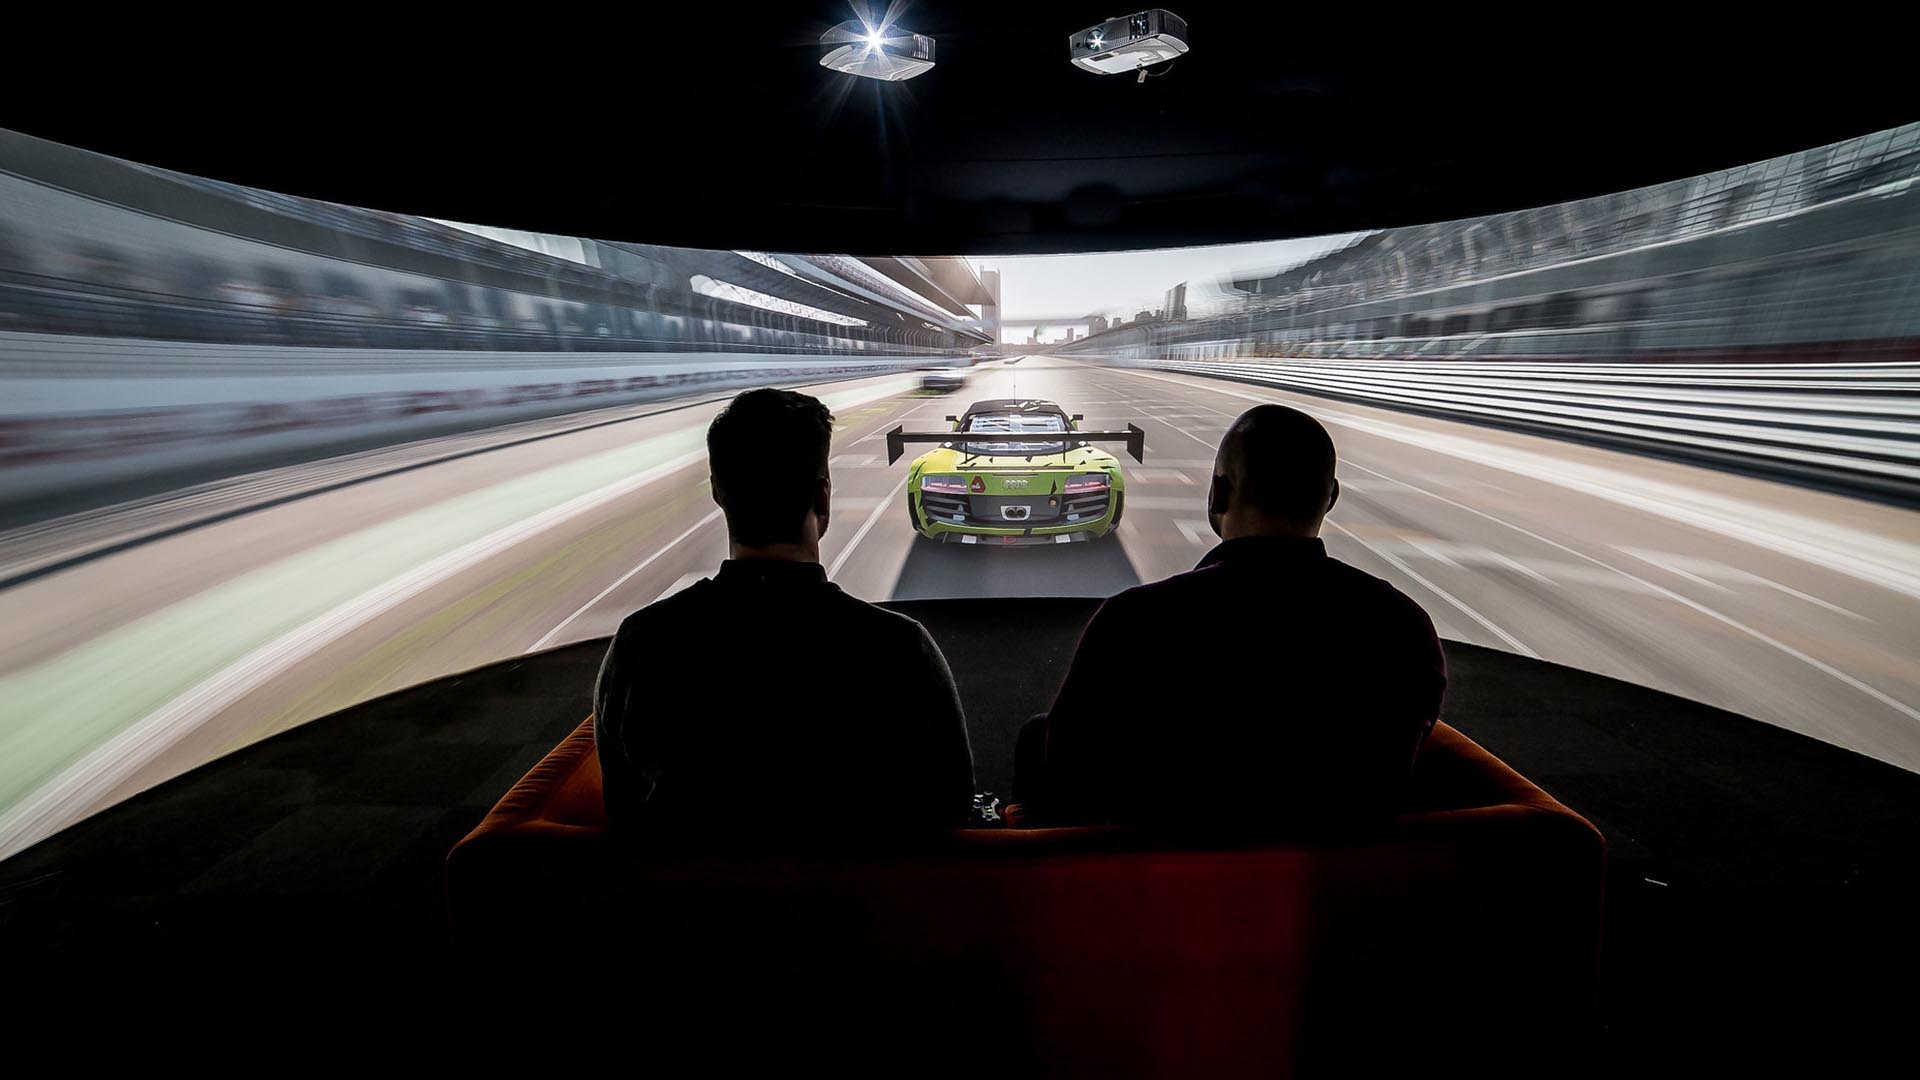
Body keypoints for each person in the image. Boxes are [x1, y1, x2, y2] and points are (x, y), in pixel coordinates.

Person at [1014, 404, 1445, 829]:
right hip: (1346, 888)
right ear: (1330, 498)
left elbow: (1069, 775)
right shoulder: (1406, 629)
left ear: (1218, 493)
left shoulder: (1133, 622)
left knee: (1037, 736)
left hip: (1151, 886)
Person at [594, 387, 976, 839]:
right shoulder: (900, 648)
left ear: (719, 493)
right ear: (822, 500)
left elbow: (621, 805)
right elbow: (952, 805)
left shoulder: (643, 643)